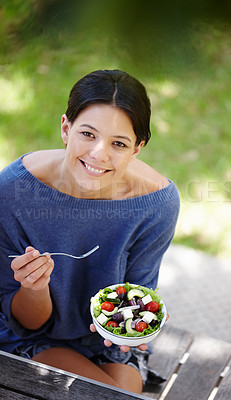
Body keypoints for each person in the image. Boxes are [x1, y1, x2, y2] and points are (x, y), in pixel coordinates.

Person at [0, 69, 179, 393]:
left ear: (137, 148)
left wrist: (135, 326)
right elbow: (24, 321)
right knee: (108, 395)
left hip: (105, 339)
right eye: (88, 134)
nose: (99, 153)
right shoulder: (14, 192)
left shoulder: (157, 205)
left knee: (119, 392)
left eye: (119, 143)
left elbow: (134, 293)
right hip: (31, 334)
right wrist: (35, 287)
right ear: (66, 128)